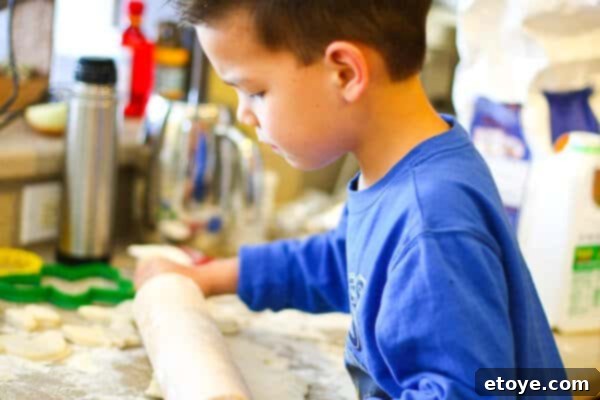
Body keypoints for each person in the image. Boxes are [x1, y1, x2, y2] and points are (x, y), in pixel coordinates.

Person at [135, 1, 566, 398]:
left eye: (256, 91)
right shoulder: (399, 173)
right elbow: (343, 261)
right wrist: (212, 277)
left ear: (344, 72)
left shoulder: (431, 217)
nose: (245, 115)